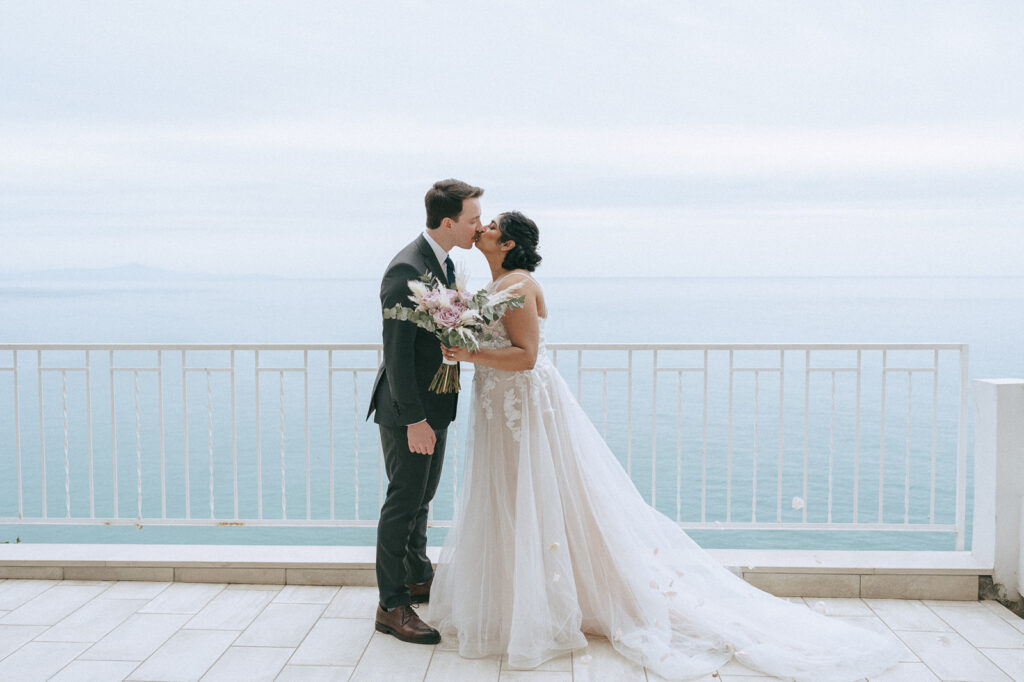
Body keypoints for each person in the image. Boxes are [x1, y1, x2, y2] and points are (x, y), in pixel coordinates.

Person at [428, 211, 903, 680]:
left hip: (522, 408)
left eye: (491, 227)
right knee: (509, 498)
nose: (483, 228)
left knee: (535, 495)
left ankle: (548, 605)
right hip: (498, 405)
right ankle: (518, 601)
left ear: (508, 244)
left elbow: (528, 357)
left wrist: (468, 352)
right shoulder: (494, 287)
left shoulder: (519, 286)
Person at [366, 178, 484, 644]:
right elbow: (395, 355)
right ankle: (391, 604)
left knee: (422, 497)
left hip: (435, 405)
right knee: (403, 503)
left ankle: (417, 574)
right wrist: (415, 419)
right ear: (449, 221)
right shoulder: (406, 271)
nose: (479, 226)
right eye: (473, 219)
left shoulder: (444, 263)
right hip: (407, 411)